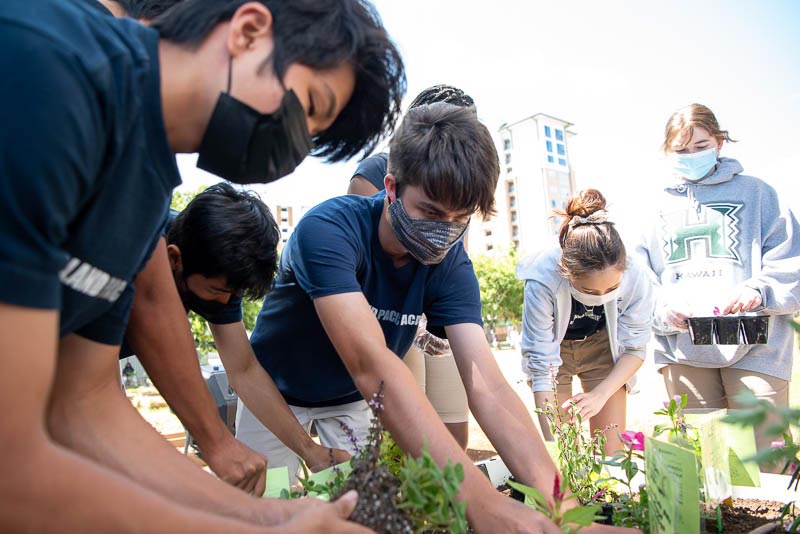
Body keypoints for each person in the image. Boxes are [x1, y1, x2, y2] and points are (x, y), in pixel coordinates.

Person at [0, 0, 404, 530]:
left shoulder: (143, 191)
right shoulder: (52, 70)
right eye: (307, 106)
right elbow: (15, 464)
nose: (294, 146)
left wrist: (266, 515)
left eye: (311, 137)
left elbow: (85, 402)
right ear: (250, 30)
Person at [238, 103, 628, 532]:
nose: (444, 229)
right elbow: (372, 364)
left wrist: (565, 510)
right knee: (261, 510)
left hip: (350, 400)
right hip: (275, 392)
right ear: (391, 187)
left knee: (352, 514)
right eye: (430, 212)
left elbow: (489, 387)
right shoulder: (328, 231)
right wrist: (483, 505)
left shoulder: (451, 265)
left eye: (459, 218)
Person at [123, 183, 351, 496]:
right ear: (174, 258)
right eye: (218, 291)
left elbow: (243, 370)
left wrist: (309, 450)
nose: (225, 301)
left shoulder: (218, 274)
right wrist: (217, 443)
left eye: (234, 293)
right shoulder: (130, 247)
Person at [636, 103, 800, 460]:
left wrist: (757, 290)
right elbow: (638, 279)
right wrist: (664, 310)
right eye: (681, 150)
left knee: (765, 455)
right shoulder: (652, 207)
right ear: (667, 151)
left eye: (701, 146)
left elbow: (791, 259)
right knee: (698, 457)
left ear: (720, 143)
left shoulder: (759, 194)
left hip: (758, 344)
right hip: (684, 348)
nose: (691, 155)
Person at [345, 84, 474, 449]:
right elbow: (376, 257)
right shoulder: (373, 170)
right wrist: (414, 321)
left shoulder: (465, 180)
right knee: (406, 432)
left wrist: (446, 313)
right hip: (393, 317)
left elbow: (455, 252)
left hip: (435, 312)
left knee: (453, 430)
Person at [516, 189, 655, 454]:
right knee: (564, 450)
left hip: (601, 344)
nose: (602, 297)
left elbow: (635, 348)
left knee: (611, 451)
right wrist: (556, 445)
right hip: (556, 350)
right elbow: (541, 364)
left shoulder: (636, 274)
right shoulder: (542, 276)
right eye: (590, 291)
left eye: (611, 289)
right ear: (566, 273)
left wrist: (601, 394)